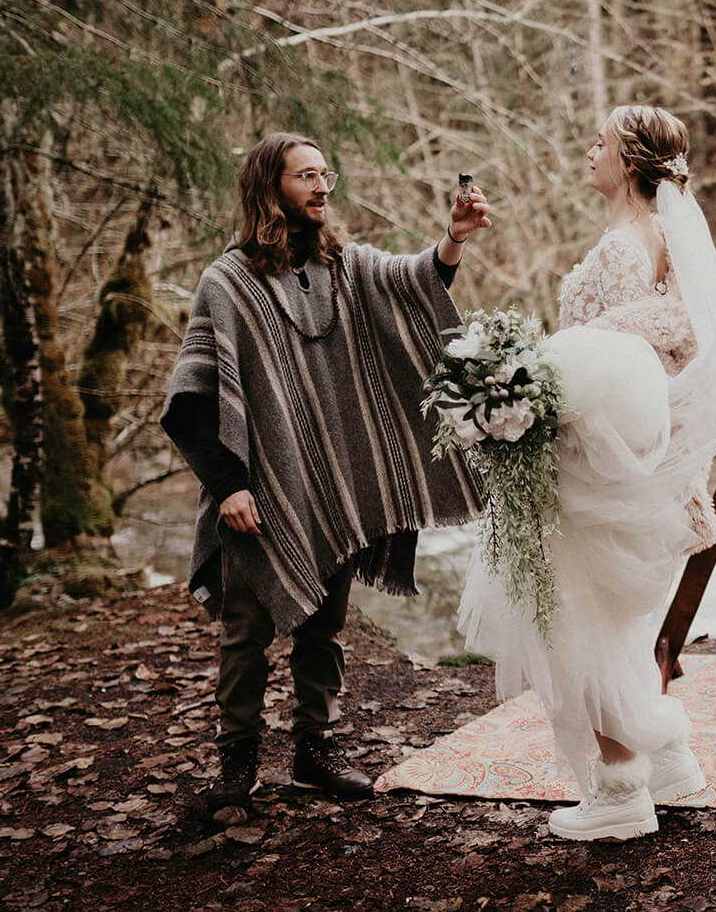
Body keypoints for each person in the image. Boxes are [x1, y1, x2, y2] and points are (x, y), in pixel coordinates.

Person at [162, 133, 490, 816]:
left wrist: (452, 240)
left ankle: (315, 750)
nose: (322, 186)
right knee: (246, 634)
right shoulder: (227, 283)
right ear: (269, 187)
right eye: (305, 175)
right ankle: (236, 767)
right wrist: (230, 486)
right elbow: (192, 404)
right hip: (256, 490)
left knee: (324, 626)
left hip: (329, 484)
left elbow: (412, 281)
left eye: (325, 173)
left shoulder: (345, 264)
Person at [456, 105, 716, 841]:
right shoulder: (658, 238)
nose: (590, 151)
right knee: (614, 616)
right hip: (624, 457)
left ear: (631, 160)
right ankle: (669, 759)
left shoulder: (624, 245)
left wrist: (522, 395)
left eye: (601, 143)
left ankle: (619, 789)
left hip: (597, 459)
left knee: (584, 617)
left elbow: (622, 372)